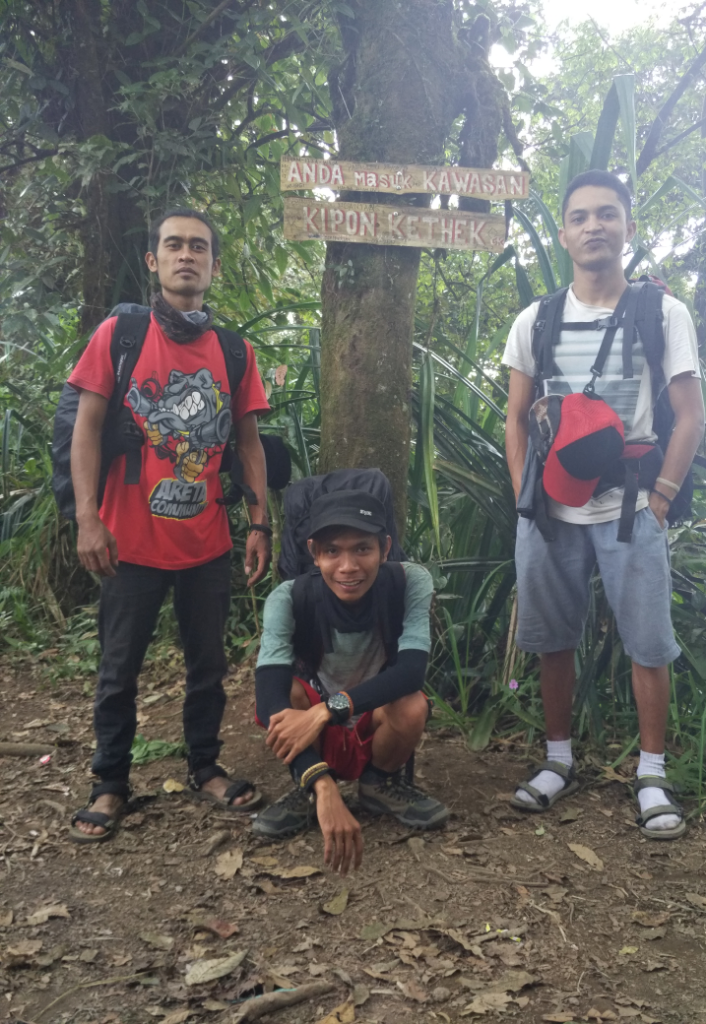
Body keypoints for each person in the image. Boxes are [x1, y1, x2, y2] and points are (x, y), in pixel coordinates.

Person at [503, 170, 705, 839]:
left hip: (630, 504)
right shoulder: (537, 318)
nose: (595, 226)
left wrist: (663, 499)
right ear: (563, 233)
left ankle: (651, 772)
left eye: (608, 215)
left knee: (647, 642)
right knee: (550, 635)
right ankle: (558, 760)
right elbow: (513, 416)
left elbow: (688, 414)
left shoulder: (661, 312)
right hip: (549, 505)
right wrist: (521, 498)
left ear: (628, 227)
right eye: (581, 216)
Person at [69, 208, 272, 843]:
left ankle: (206, 767)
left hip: (205, 540)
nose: (187, 255)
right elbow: (87, 429)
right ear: (154, 261)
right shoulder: (120, 336)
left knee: (207, 663)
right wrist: (86, 519)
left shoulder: (234, 351)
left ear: (212, 265)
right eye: (174, 245)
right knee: (119, 667)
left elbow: (248, 443)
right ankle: (109, 782)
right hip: (128, 541)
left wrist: (260, 522)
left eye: (200, 247)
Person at [253, 490, 448, 875]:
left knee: (412, 703)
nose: (347, 566)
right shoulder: (288, 598)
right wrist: (322, 785)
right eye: (332, 551)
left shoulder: (411, 582)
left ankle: (379, 784)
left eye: (362, 549)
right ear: (314, 552)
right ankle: (309, 788)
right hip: (313, 729)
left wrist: (327, 710)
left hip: (367, 719)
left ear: (385, 546)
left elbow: (411, 673)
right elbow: (268, 698)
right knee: (284, 699)